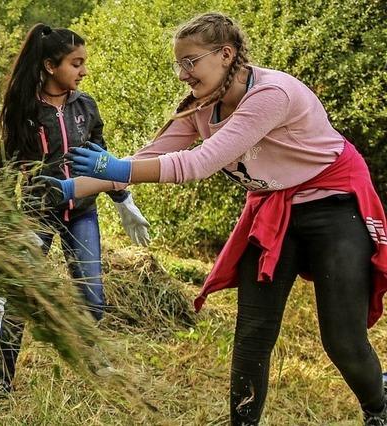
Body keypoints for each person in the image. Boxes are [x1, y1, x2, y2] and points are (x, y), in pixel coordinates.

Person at [28, 12, 387, 425]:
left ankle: (378, 406)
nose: (183, 74)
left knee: (342, 340)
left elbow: (198, 163)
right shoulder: (199, 108)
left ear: (226, 54)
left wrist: (118, 170)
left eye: (191, 61)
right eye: (179, 64)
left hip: (332, 202)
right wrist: (70, 189)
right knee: (252, 332)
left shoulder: (272, 94)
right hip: (272, 206)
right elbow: (146, 157)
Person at [0, 23, 151, 397]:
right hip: (36, 214)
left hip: (83, 212)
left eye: (84, 62)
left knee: (93, 299)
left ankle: (90, 355)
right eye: (76, 63)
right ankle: (1, 379)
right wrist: (4, 223)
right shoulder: (22, 111)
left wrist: (124, 201)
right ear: (50, 66)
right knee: (20, 295)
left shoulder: (85, 107)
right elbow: (5, 168)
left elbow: (102, 161)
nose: (84, 70)